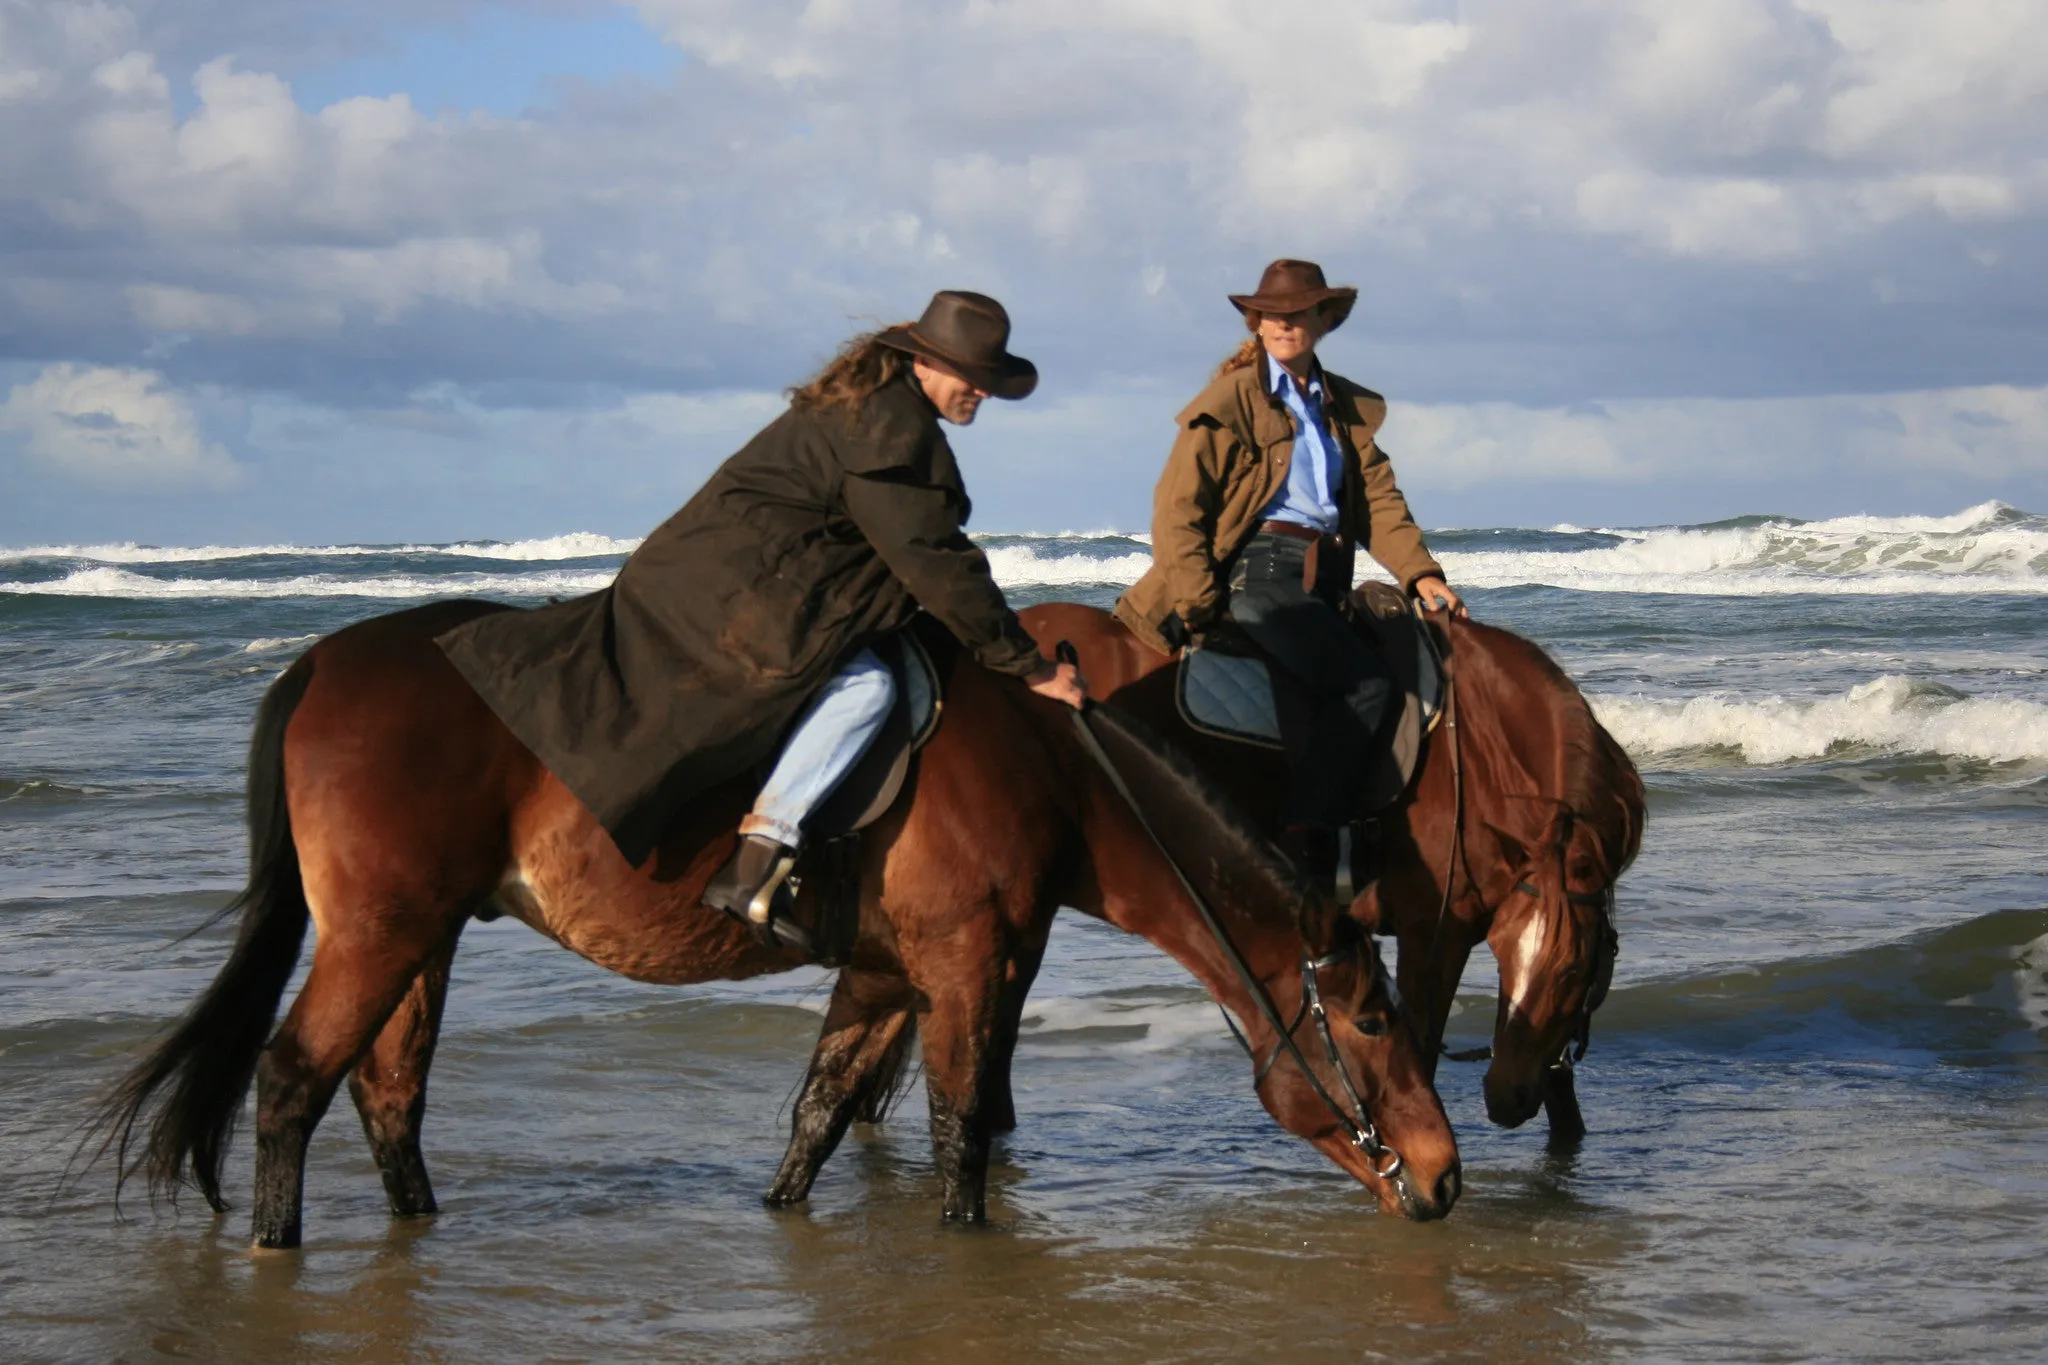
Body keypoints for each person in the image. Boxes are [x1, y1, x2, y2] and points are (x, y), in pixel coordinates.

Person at [440, 291, 1088, 942]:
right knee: (867, 689)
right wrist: (1026, 666)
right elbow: (932, 559)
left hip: (722, 579)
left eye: (988, 379)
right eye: (971, 375)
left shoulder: (871, 409)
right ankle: (758, 860)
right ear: (923, 362)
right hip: (742, 600)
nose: (981, 391)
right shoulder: (889, 431)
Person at [1114, 259, 1465, 896]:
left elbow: (1378, 500)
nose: (1284, 324)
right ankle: (1306, 843)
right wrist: (1198, 599)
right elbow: (1177, 509)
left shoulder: (1344, 407)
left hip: (1326, 579)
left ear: (1322, 321)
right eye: (1273, 314)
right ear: (1256, 322)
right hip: (1261, 575)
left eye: (1299, 313)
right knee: (1363, 685)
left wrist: (1419, 574)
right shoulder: (1230, 402)